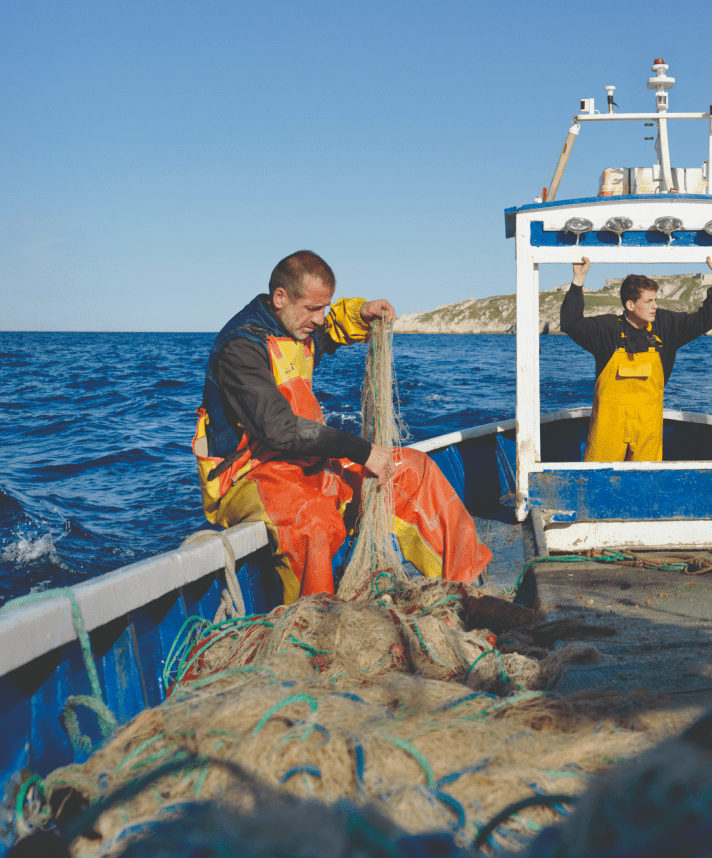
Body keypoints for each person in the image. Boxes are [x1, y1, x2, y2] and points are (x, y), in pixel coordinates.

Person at [192, 250, 491, 604]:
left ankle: (470, 593)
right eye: (312, 309)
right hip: (250, 475)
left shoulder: (296, 326)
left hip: (308, 463)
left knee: (413, 470)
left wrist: (362, 313)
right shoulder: (241, 348)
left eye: (324, 308)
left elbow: (333, 327)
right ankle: (315, 631)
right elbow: (279, 429)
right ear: (280, 298)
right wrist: (363, 451)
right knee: (313, 522)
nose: (319, 319)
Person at [559, 256, 712, 461]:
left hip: (648, 427)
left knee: (646, 482)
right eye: (648, 301)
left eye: (655, 300)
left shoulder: (666, 324)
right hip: (609, 426)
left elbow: (705, 320)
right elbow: (570, 323)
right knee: (600, 480)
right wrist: (578, 278)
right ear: (630, 304)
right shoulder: (606, 329)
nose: (655, 306)